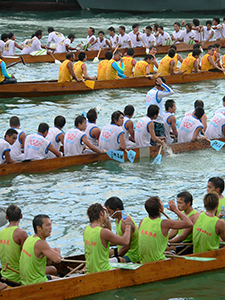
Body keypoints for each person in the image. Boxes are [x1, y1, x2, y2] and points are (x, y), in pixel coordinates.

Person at [138, 197, 192, 263]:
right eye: (161, 203)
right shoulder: (164, 223)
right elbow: (189, 223)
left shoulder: (143, 221)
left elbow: (149, 244)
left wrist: (163, 253)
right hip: (157, 262)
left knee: (170, 252)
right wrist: (175, 210)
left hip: (143, 261)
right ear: (159, 209)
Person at [83, 203, 133, 273]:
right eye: (106, 213)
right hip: (103, 271)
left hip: (90, 271)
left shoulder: (86, 229)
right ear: (101, 214)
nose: (108, 216)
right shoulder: (103, 232)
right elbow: (125, 242)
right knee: (132, 265)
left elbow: (107, 239)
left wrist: (105, 217)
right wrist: (128, 225)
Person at [20, 214, 61, 285]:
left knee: (53, 270)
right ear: (38, 228)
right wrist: (57, 251)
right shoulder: (41, 243)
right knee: (66, 281)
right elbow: (57, 259)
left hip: (26, 281)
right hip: (36, 283)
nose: (50, 228)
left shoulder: (30, 238)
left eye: (50, 225)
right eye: (47, 225)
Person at [105, 196, 139, 263]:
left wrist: (116, 257)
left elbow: (127, 246)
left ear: (117, 210)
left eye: (109, 211)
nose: (109, 214)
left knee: (108, 262)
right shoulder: (117, 219)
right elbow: (119, 240)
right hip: (122, 250)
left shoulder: (125, 222)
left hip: (132, 255)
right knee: (102, 253)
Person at [0, 204, 28, 283]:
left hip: (4, 274)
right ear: (21, 216)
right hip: (18, 277)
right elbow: (27, 257)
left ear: (6, 217)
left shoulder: (1, 233)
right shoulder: (22, 234)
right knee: (53, 270)